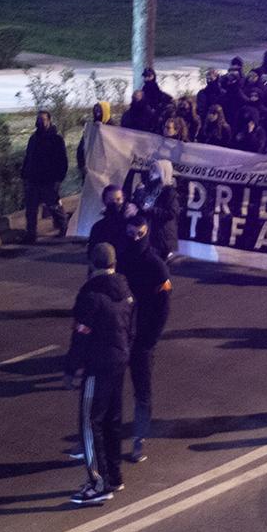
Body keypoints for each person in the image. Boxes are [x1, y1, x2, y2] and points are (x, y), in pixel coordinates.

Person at [63, 243, 132, 507]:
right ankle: (114, 474)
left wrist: (71, 369)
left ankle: (98, 483)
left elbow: (80, 336)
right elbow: (130, 326)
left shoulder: (89, 295)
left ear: (92, 263)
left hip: (97, 366)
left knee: (90, 423)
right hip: (119, 360)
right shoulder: (125, 290)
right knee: (112, 421)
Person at [121, 215, 170, 462]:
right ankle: (101, 437)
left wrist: (150, 339)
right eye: (131, 234)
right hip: (119, 337)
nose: (135, 239)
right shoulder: (121, 258)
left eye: (140, 234)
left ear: (146, 232)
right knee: (109, 392)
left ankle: (139, 439)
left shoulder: (156, 266)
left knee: (142, 392)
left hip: (141, 340)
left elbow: (163, 308)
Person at [21, 111, 70, 242]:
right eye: (38, 119)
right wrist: (24, 174)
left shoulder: (56, 139)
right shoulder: (33, 139)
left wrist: (59, 179)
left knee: (54, 206)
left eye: (43, 119)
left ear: (49, 120)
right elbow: (28, 157)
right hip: (33, 179)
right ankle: (31, 234)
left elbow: (62, 161)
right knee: (31, 209)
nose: (40, 122)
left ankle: (64, 228)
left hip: (49, 180)